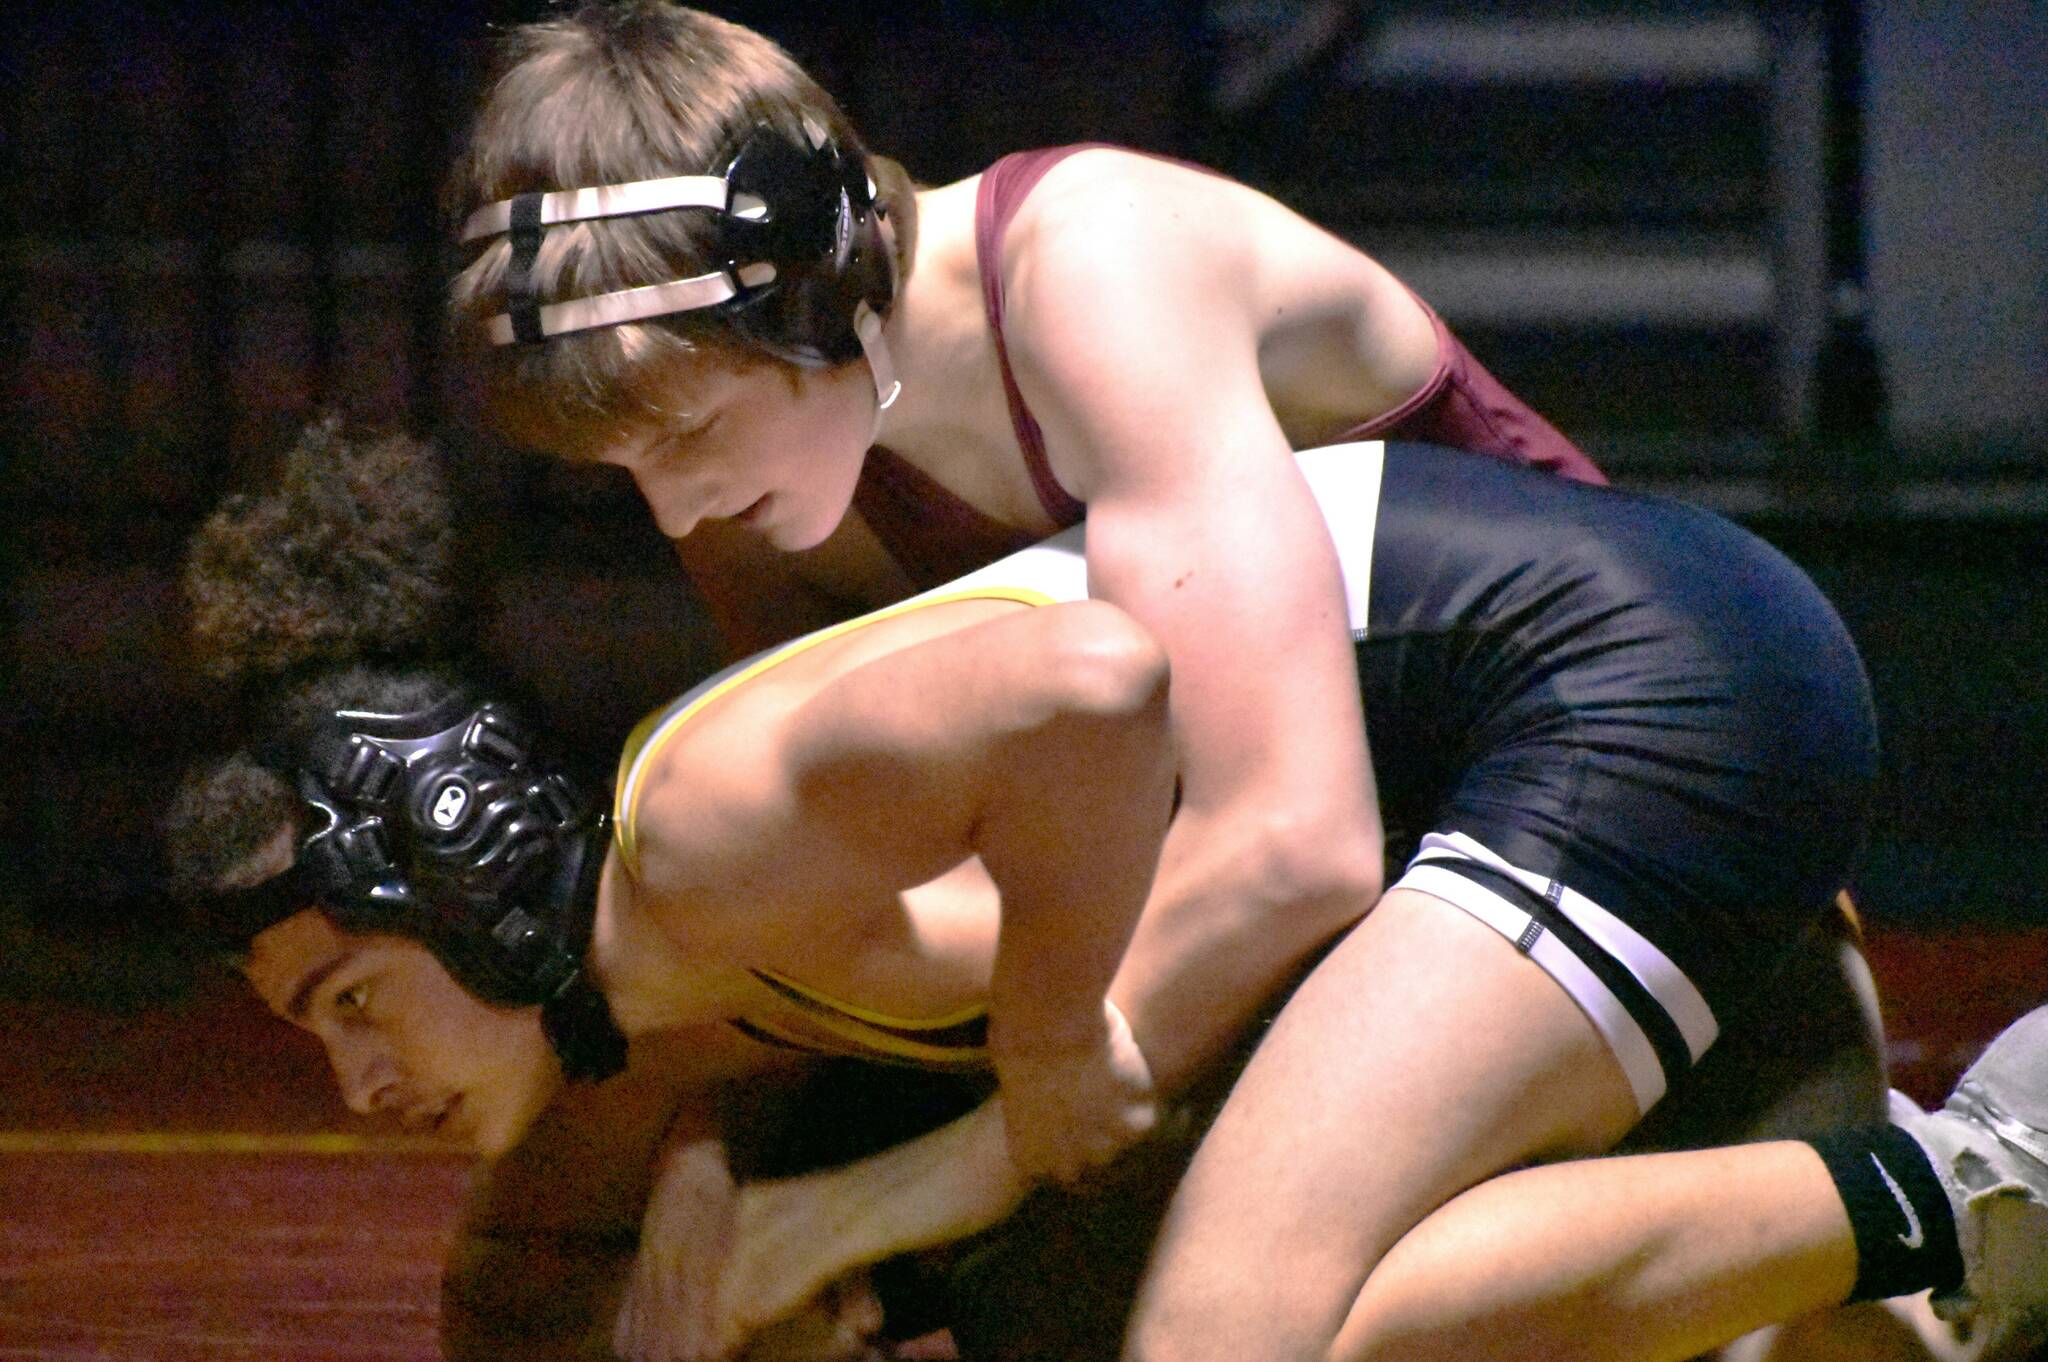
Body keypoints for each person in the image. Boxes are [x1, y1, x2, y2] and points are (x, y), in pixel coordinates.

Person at [171, 421, 2048, 1362]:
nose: (361, 1089)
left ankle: (1964, 1188)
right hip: (1552, 718)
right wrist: (832, 1217)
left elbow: (1089, 686)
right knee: (1134, 1274)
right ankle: (1915, 1215)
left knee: (1229, 1327)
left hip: (1615, 686)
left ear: (474, 881)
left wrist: (997, 1088)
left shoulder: (700, 832)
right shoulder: (701, 969)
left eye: (352, 1000)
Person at [441, 0, 1608, 1143]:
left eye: (688, 437)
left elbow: (1293, 841)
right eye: (623, 467)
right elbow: (876, 877)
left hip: (1568, 752)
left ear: (823, 283)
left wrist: (967, 1155)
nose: (672, 507)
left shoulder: (1100, 272)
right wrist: (746, 1135)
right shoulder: (755, 472)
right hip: (1362, 851)